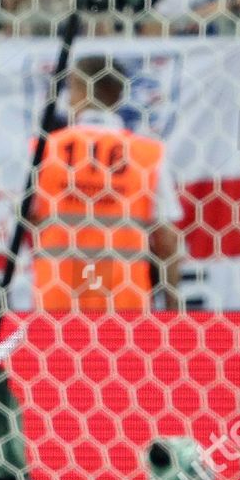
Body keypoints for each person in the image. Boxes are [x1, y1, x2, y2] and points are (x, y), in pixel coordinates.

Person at [30, 56, 183, 313]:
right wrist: (172, 303)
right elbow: (166, 239)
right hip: (124, 300)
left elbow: (26, 221)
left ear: (78, 90)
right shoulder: (147, 154)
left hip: (56, 299)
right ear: (120, 95)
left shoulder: (44, 150)